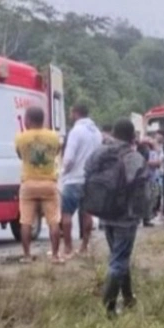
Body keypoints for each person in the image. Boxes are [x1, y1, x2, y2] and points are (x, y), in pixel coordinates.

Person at [84, 118, 147, 319]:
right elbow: (142, 188)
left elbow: (87, 171)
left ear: (113, 133)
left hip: (104, 212)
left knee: (119, 256)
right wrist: (144, 213)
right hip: (126, 216)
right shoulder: (134, 157)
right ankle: (108, 307)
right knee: (119, 260)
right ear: (131, 137)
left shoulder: (99, 153)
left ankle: (128, 298)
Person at [14, 106, 63, 264]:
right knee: (53, 220)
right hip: (48, 183)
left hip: (28, 183)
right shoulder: (54, 137)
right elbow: (56, 152)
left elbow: (20, 156)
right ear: (43, 120)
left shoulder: (21, 138)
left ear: (28, 119)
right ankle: (55, 255)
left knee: (26, 221)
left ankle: (27, 255)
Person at [59, 103, 102, 258]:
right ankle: (84, 246)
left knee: (66, 214)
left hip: (74, 179)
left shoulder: (76, 131)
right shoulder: (97, 132)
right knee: (87, 213)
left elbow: (69, 158)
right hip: (91, 179)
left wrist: (64, 171)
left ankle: (68, 247)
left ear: (75, 113)